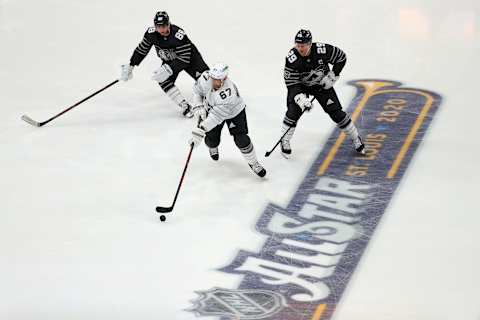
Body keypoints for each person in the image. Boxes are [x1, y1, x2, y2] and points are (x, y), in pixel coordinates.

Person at [280, 29, 365, 157]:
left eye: (302, 45)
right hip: (301, 87)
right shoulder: (292, 58)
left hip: (321, 85)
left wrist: (332, 76)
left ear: (310, 44)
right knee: (293, 112)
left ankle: (356, 138)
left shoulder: (322, 50)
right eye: (297, 45)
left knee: (336, 113)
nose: (299, 48)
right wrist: (300, 99)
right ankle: (285, 140)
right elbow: (291, 83)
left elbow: (341, 57)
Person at [120, 11, 209, 117]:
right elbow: (142, 50)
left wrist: (169, 68)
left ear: (168, 24)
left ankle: (216, 101)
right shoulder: (151, 34)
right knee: (162, 79)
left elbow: (185, 58)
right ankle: (184, 105)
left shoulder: (178, 35)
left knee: (207, 80)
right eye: (158, 26)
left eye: (164, 26)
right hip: (170, 60)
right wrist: (131, 65)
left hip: (190, 59)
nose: (161, 29)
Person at [188, 63, 267, 178]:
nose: (213, 81)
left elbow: (216, 117)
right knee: (211, 141)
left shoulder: (228, 92)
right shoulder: (205, 77)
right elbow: (197, 91)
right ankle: (213, 146)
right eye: (212, 78)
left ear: (224, 79)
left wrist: (200, 130)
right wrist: (198, 105)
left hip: (234, 112)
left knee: (241, 139)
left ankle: (254, 163)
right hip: (212, 108)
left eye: (217, 79)